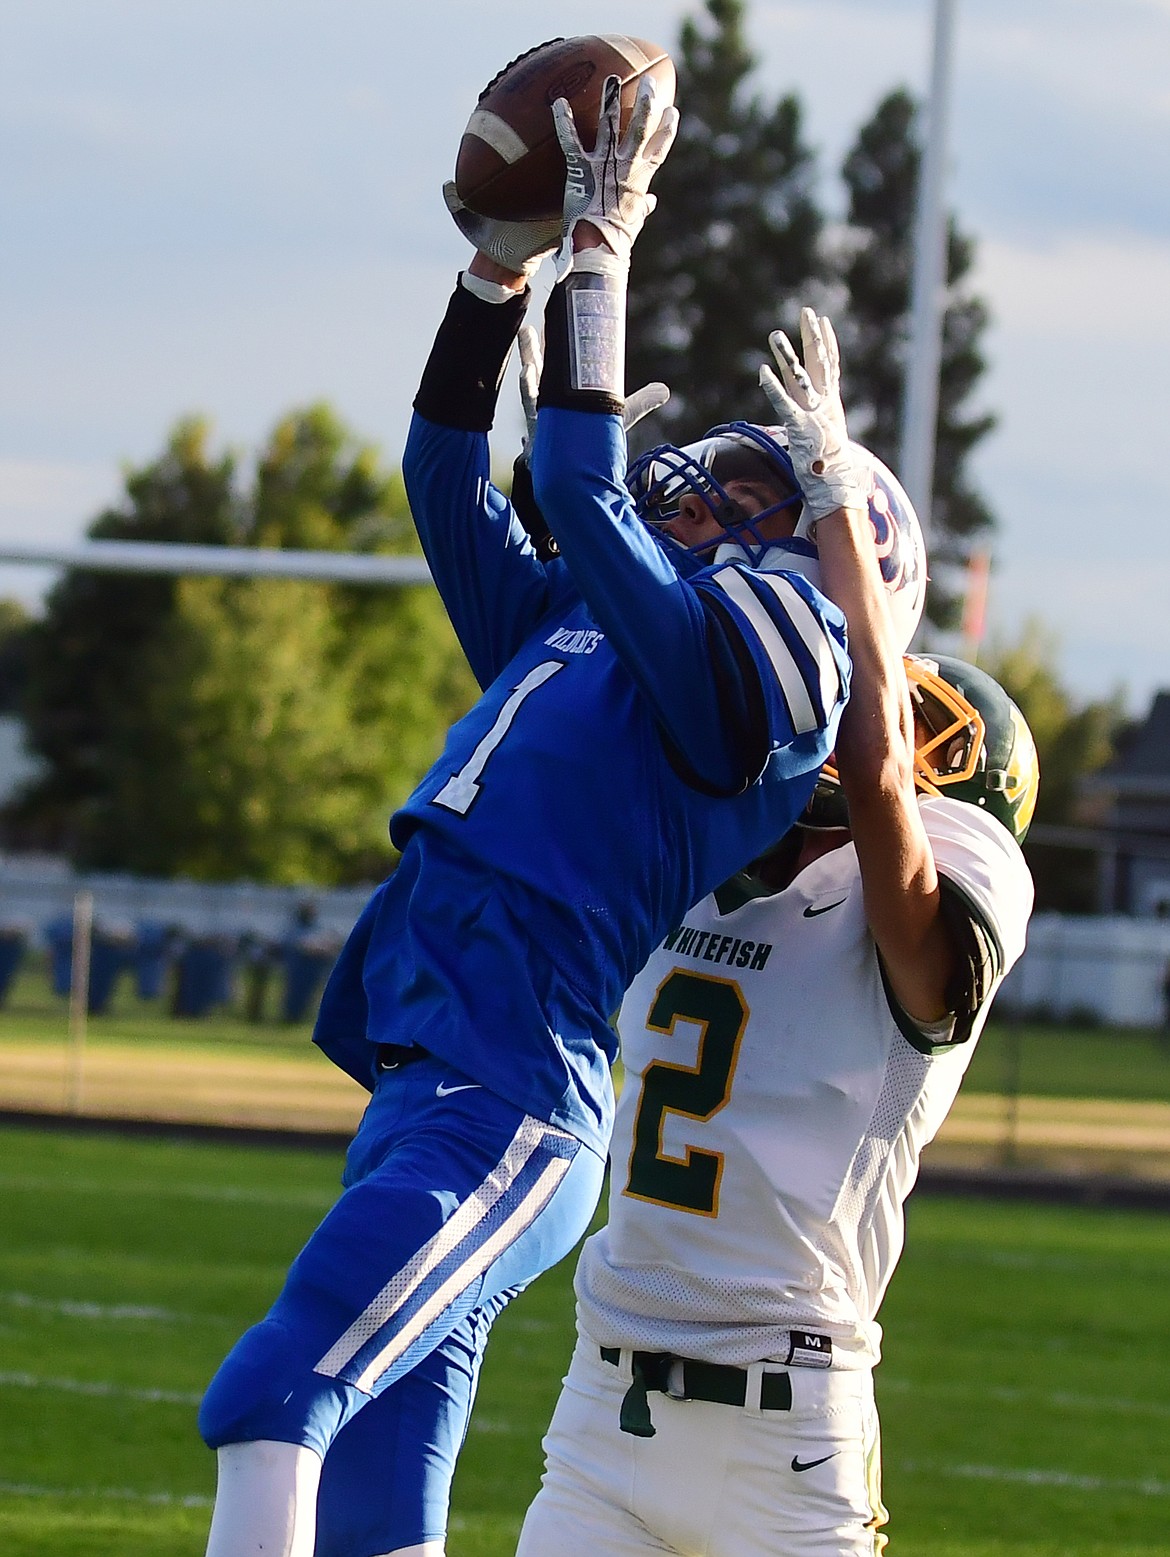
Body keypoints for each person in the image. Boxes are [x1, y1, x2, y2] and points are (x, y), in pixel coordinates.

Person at [198, 74, 857, 1557]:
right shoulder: (583, 629)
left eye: (746, 488)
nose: (695, 487)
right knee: (380, 1496)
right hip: (423, 1072)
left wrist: (601, 245)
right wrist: (495, 276)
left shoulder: (758, 677)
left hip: (505, 1098)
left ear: (826, 549)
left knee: (271, 1390)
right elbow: (444, 473)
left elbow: (572, 465)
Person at [514, 311, 1039, 1557]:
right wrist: (578, 493)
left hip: (787, 1431)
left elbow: (875, 780)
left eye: (927, 738)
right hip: (604, 1406)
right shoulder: (701, 840)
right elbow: (595, 679)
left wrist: (841, 519)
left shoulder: (943, 880)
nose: (882, 728)